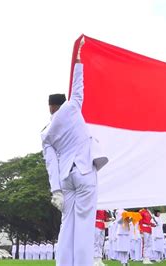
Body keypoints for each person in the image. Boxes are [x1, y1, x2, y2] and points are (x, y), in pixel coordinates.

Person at [40, 37, 108, 266]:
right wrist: (78, 59)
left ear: (50, 108)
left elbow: (51, 163)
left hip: (65, 179)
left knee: (66, 225)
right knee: (84, 224)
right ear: (62, 103)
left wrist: (55, 191)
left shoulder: (46, 132)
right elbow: (78, 86)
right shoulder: (72, 107)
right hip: (84, 171)